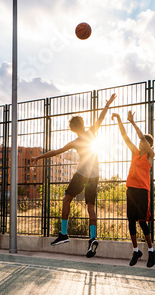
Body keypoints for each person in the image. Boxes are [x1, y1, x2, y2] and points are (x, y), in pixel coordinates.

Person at [31, 93, 116, 258]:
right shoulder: (92, 132)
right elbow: (100, 118)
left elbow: (56, 152)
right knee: (91, 207)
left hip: (81, 174)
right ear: (83, 125)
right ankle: (92, 238)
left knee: (66, 199)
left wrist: (39, 157)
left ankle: (64, 233)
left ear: (73, 129)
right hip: (95, 175)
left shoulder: (75, 142)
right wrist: (108, 105)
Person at [112, 110, 155, 268]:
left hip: (142, 191)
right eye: (139, 143)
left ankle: (151, 250)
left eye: (143, 142)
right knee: (131, 221)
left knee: (143, 222)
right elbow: (125, 136)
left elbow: (141, 137)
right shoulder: (135, 152)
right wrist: (119, 119)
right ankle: (136, 250)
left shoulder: (150, 155)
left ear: (148, 145)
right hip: (131, 189)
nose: (139, 143)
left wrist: (132, 122)